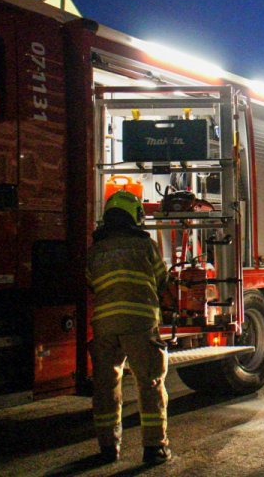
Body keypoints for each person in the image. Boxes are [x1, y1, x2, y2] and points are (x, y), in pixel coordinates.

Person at [87, 190, 172, 465]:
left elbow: (90, 281)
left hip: (104, 325)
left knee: (106, 386)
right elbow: (162, 278)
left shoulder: (96, 249)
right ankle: (154, 448)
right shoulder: (145, 245)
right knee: (149, 383)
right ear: (134, 215)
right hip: (139, 323)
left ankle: (108, 448)